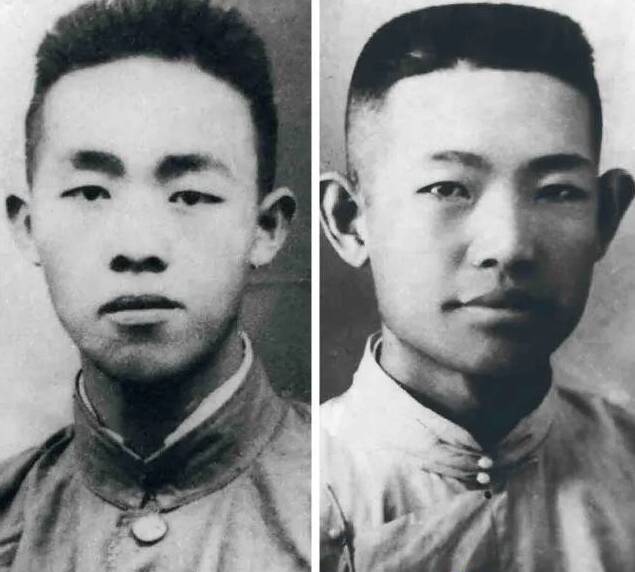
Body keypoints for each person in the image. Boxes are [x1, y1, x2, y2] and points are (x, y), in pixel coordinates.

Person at [320, 3, 635, 570]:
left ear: (605, 218)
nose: (509, 246)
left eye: (557, 191)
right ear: (349, 220)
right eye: (448, 188)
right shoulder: (305, 488)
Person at [0, 0, 310, 570]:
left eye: (190, 195)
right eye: (90, 192)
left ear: (265, 229)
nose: (138, 246)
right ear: (28, 226)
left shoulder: (348, 510)